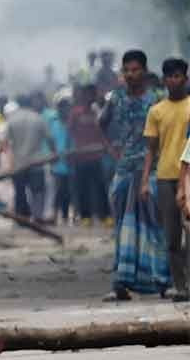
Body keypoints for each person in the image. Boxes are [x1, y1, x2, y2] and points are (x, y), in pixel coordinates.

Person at [102, 50, 167, 301]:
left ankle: (161, 279)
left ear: (144, 70)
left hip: (155, 168)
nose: (130, 75)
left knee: (155, 224)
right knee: (123, 225)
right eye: (126, 70)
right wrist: (112, 149)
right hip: (126, 168)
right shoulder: (116, 98)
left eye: (135, 70)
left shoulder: (158, 98)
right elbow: (102, 122)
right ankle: (122, 280)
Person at [141, 57, 190, 300]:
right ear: (164, 80)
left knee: (189, 231)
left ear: (185, 78)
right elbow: (150, 148)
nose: (173, 80)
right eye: (169, 76)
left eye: (178, 75)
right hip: (164, 177)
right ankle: (180, 286)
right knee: (171, 235)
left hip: (189, 178)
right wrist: (144, 181)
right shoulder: (156, 111)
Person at [5, 96, 54, 220]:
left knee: (20, 191)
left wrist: (9, 159)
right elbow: (49, 138)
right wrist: (54, 153)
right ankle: (38, 216)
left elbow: (5, 142)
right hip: (36, 162)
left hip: (18, 163)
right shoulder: (38, 118)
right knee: (38, 192)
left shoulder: (12, 119)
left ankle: (21, 218)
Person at [67, 84, 110, 226]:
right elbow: (70, 133)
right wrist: (72, 151)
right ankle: (86, 217)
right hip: (80, 156)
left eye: (93, 94)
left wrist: (106, 147)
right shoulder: (76, 113)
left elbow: (102, 132)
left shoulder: (97, 112)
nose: (90, 97)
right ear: (83, 95)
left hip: (97, 156)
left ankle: (106, 216)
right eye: (88, 94)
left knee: (100, 187)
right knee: (82, 188)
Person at [46, 90, 73, 224]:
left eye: (66, 106)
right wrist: (52, 154)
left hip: (71, 163)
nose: (64, 109)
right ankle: (55, 215)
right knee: (57, 191)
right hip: (57, 164)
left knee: (68, 192)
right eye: (61, 106)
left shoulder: (72, 122)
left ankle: (65, 216)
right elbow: (49, 140)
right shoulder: (53, 122)